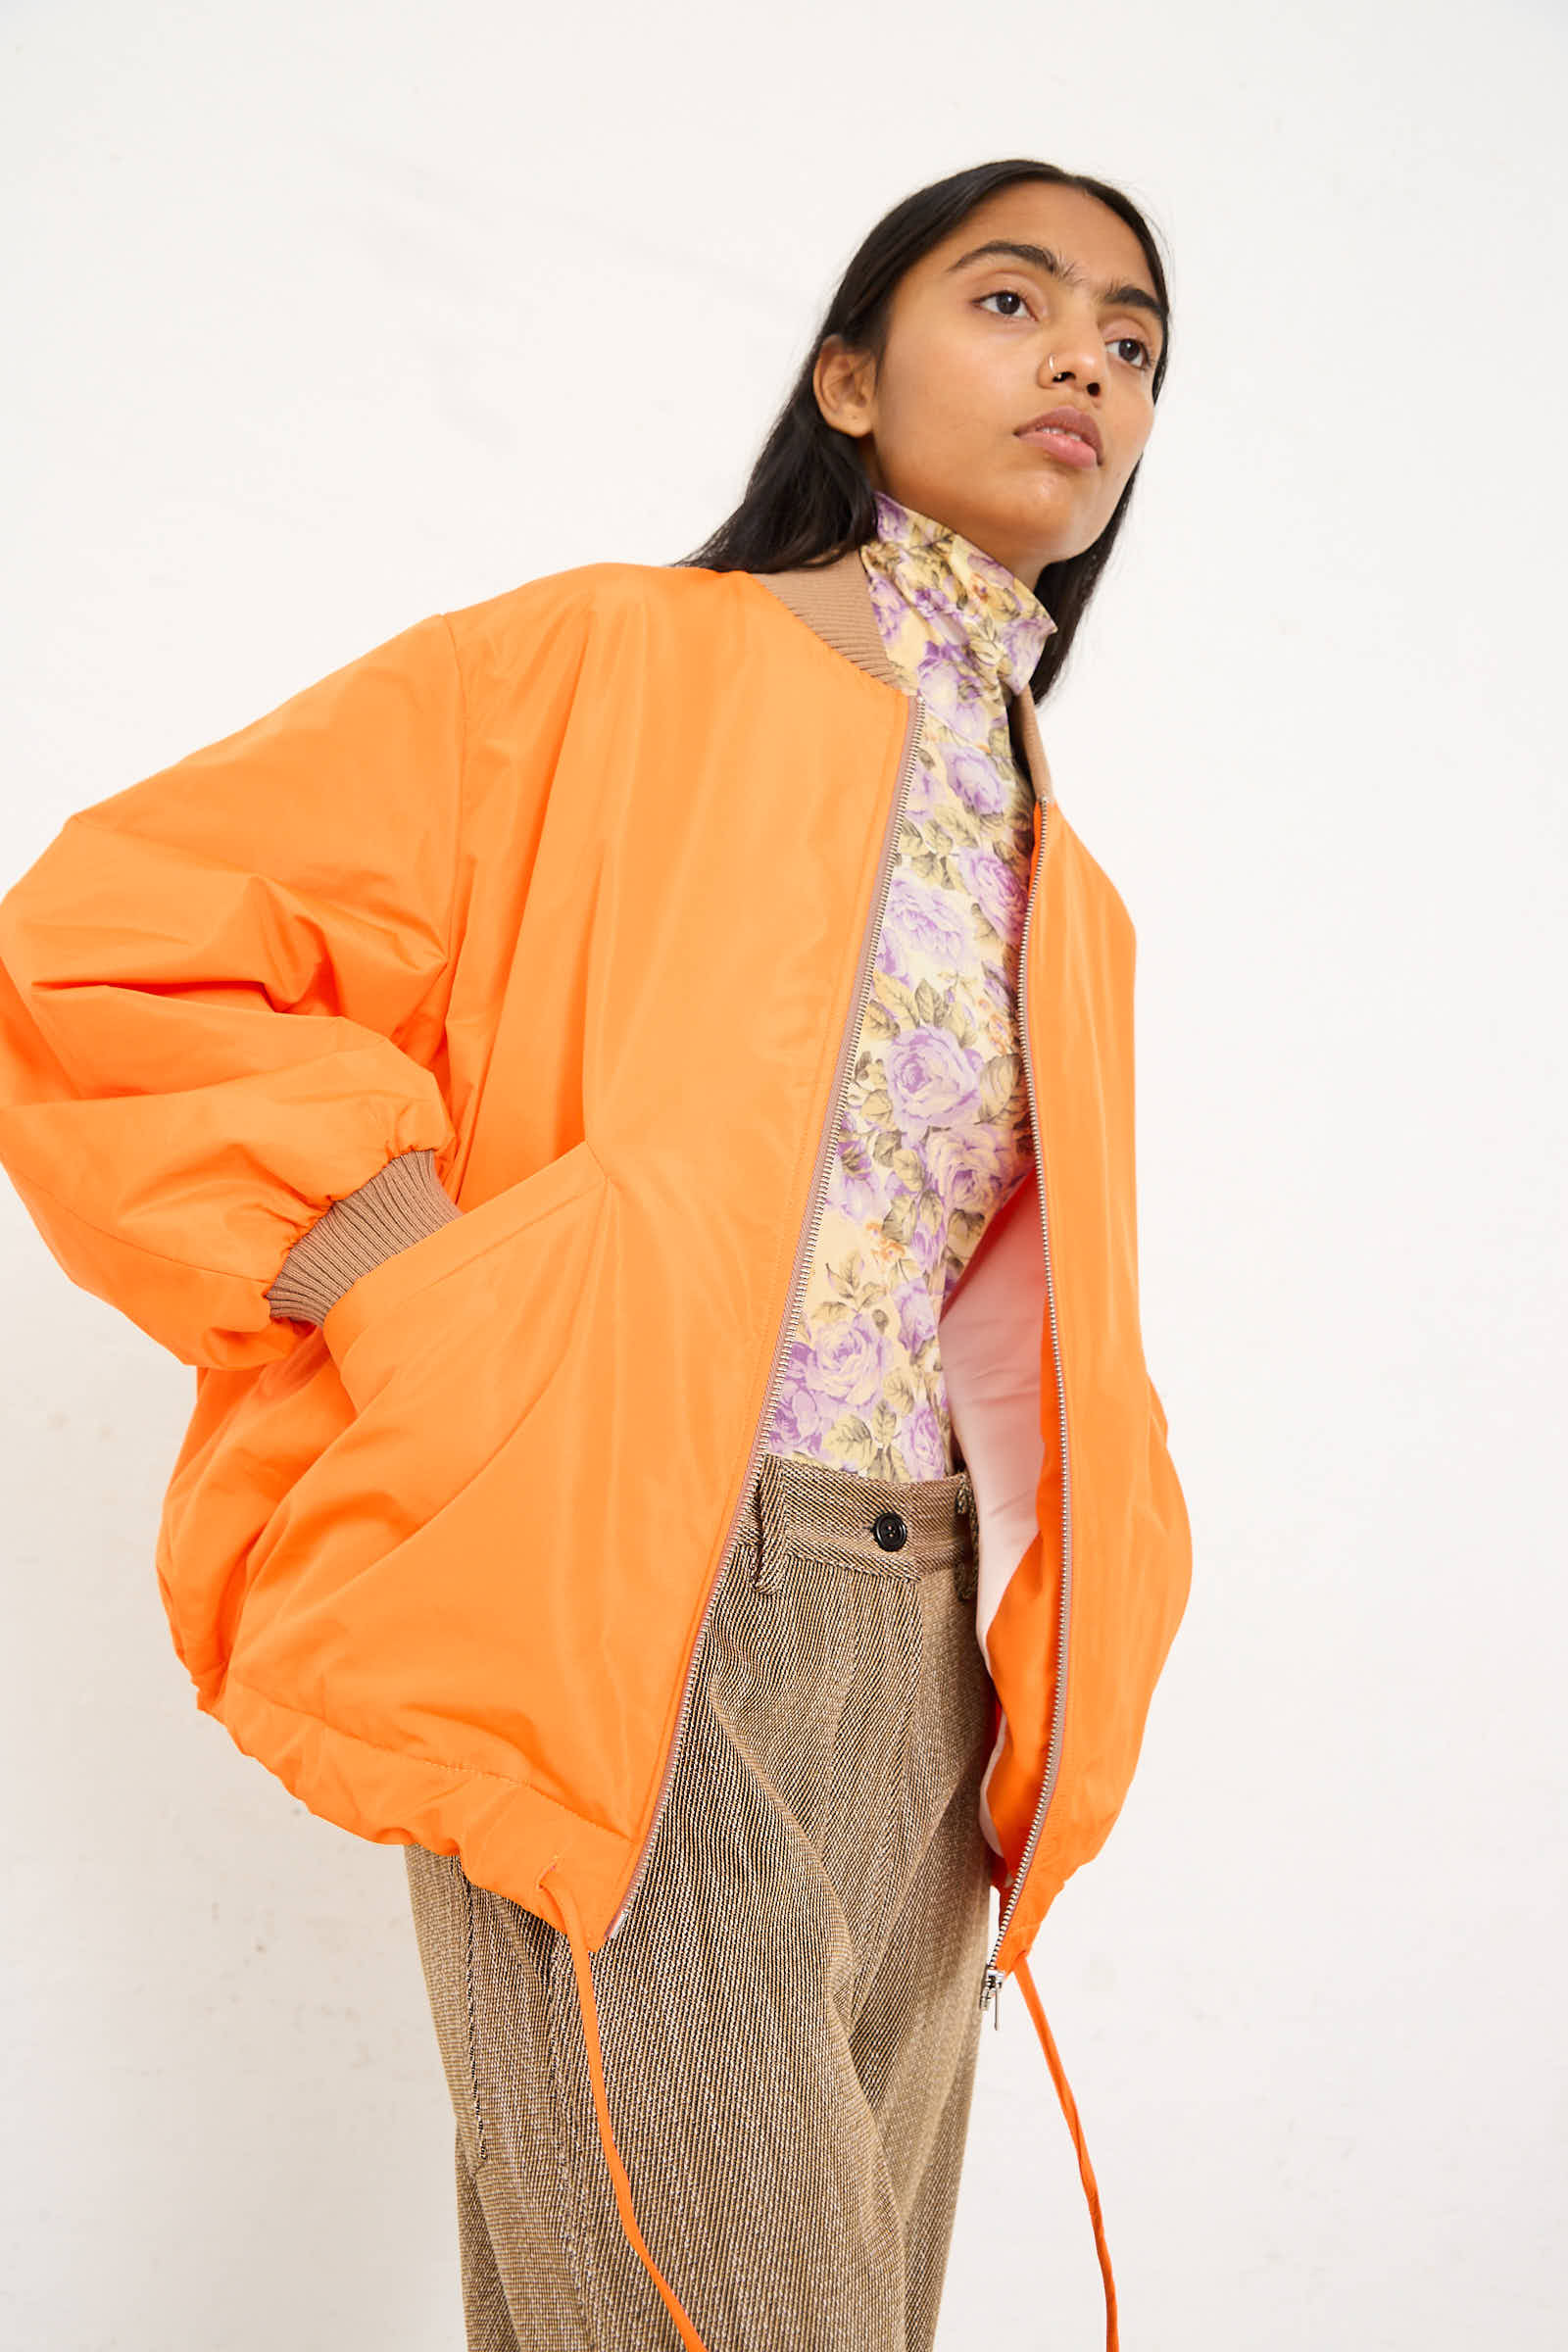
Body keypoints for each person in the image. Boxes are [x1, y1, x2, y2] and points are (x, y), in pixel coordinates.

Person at [0, 157, 1193, 2352]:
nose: (1083, 367)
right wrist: (414, 1284)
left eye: (1130, 345)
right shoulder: (606, 660)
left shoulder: (1058, 874)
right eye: (1011, 302)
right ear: (846, 376)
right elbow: (110, 945)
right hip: (634, 1594)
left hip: (930, 1664)